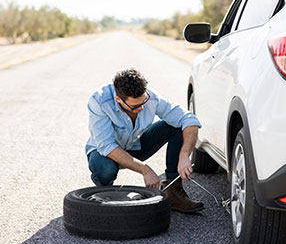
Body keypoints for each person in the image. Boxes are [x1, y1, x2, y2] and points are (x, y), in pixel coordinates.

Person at [85, 67, 204, 213]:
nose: (142, 108)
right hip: (105, 154)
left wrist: (184, 154)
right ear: (118, 100)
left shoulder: (151, 98)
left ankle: (173, 190)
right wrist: (145, 170)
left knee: (177, 126)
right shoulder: (99, 101)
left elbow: (189, 119)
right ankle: (105, 193)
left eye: (144, 102)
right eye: (135, 106)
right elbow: (107, 146)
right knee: (105, 170)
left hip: (136, 146)